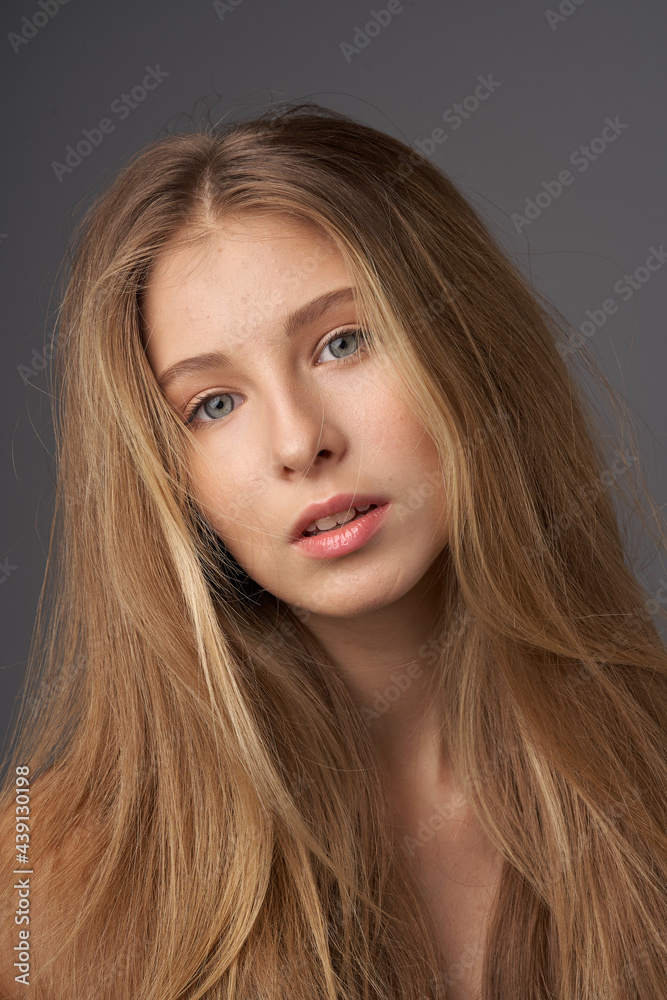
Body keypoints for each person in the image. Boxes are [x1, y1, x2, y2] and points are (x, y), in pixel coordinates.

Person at [1, 100, 666, 1000]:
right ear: (167, 482)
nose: (297, 441)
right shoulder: (40, 871)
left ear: (468, 351)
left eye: (341, 343)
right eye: (213, 403)